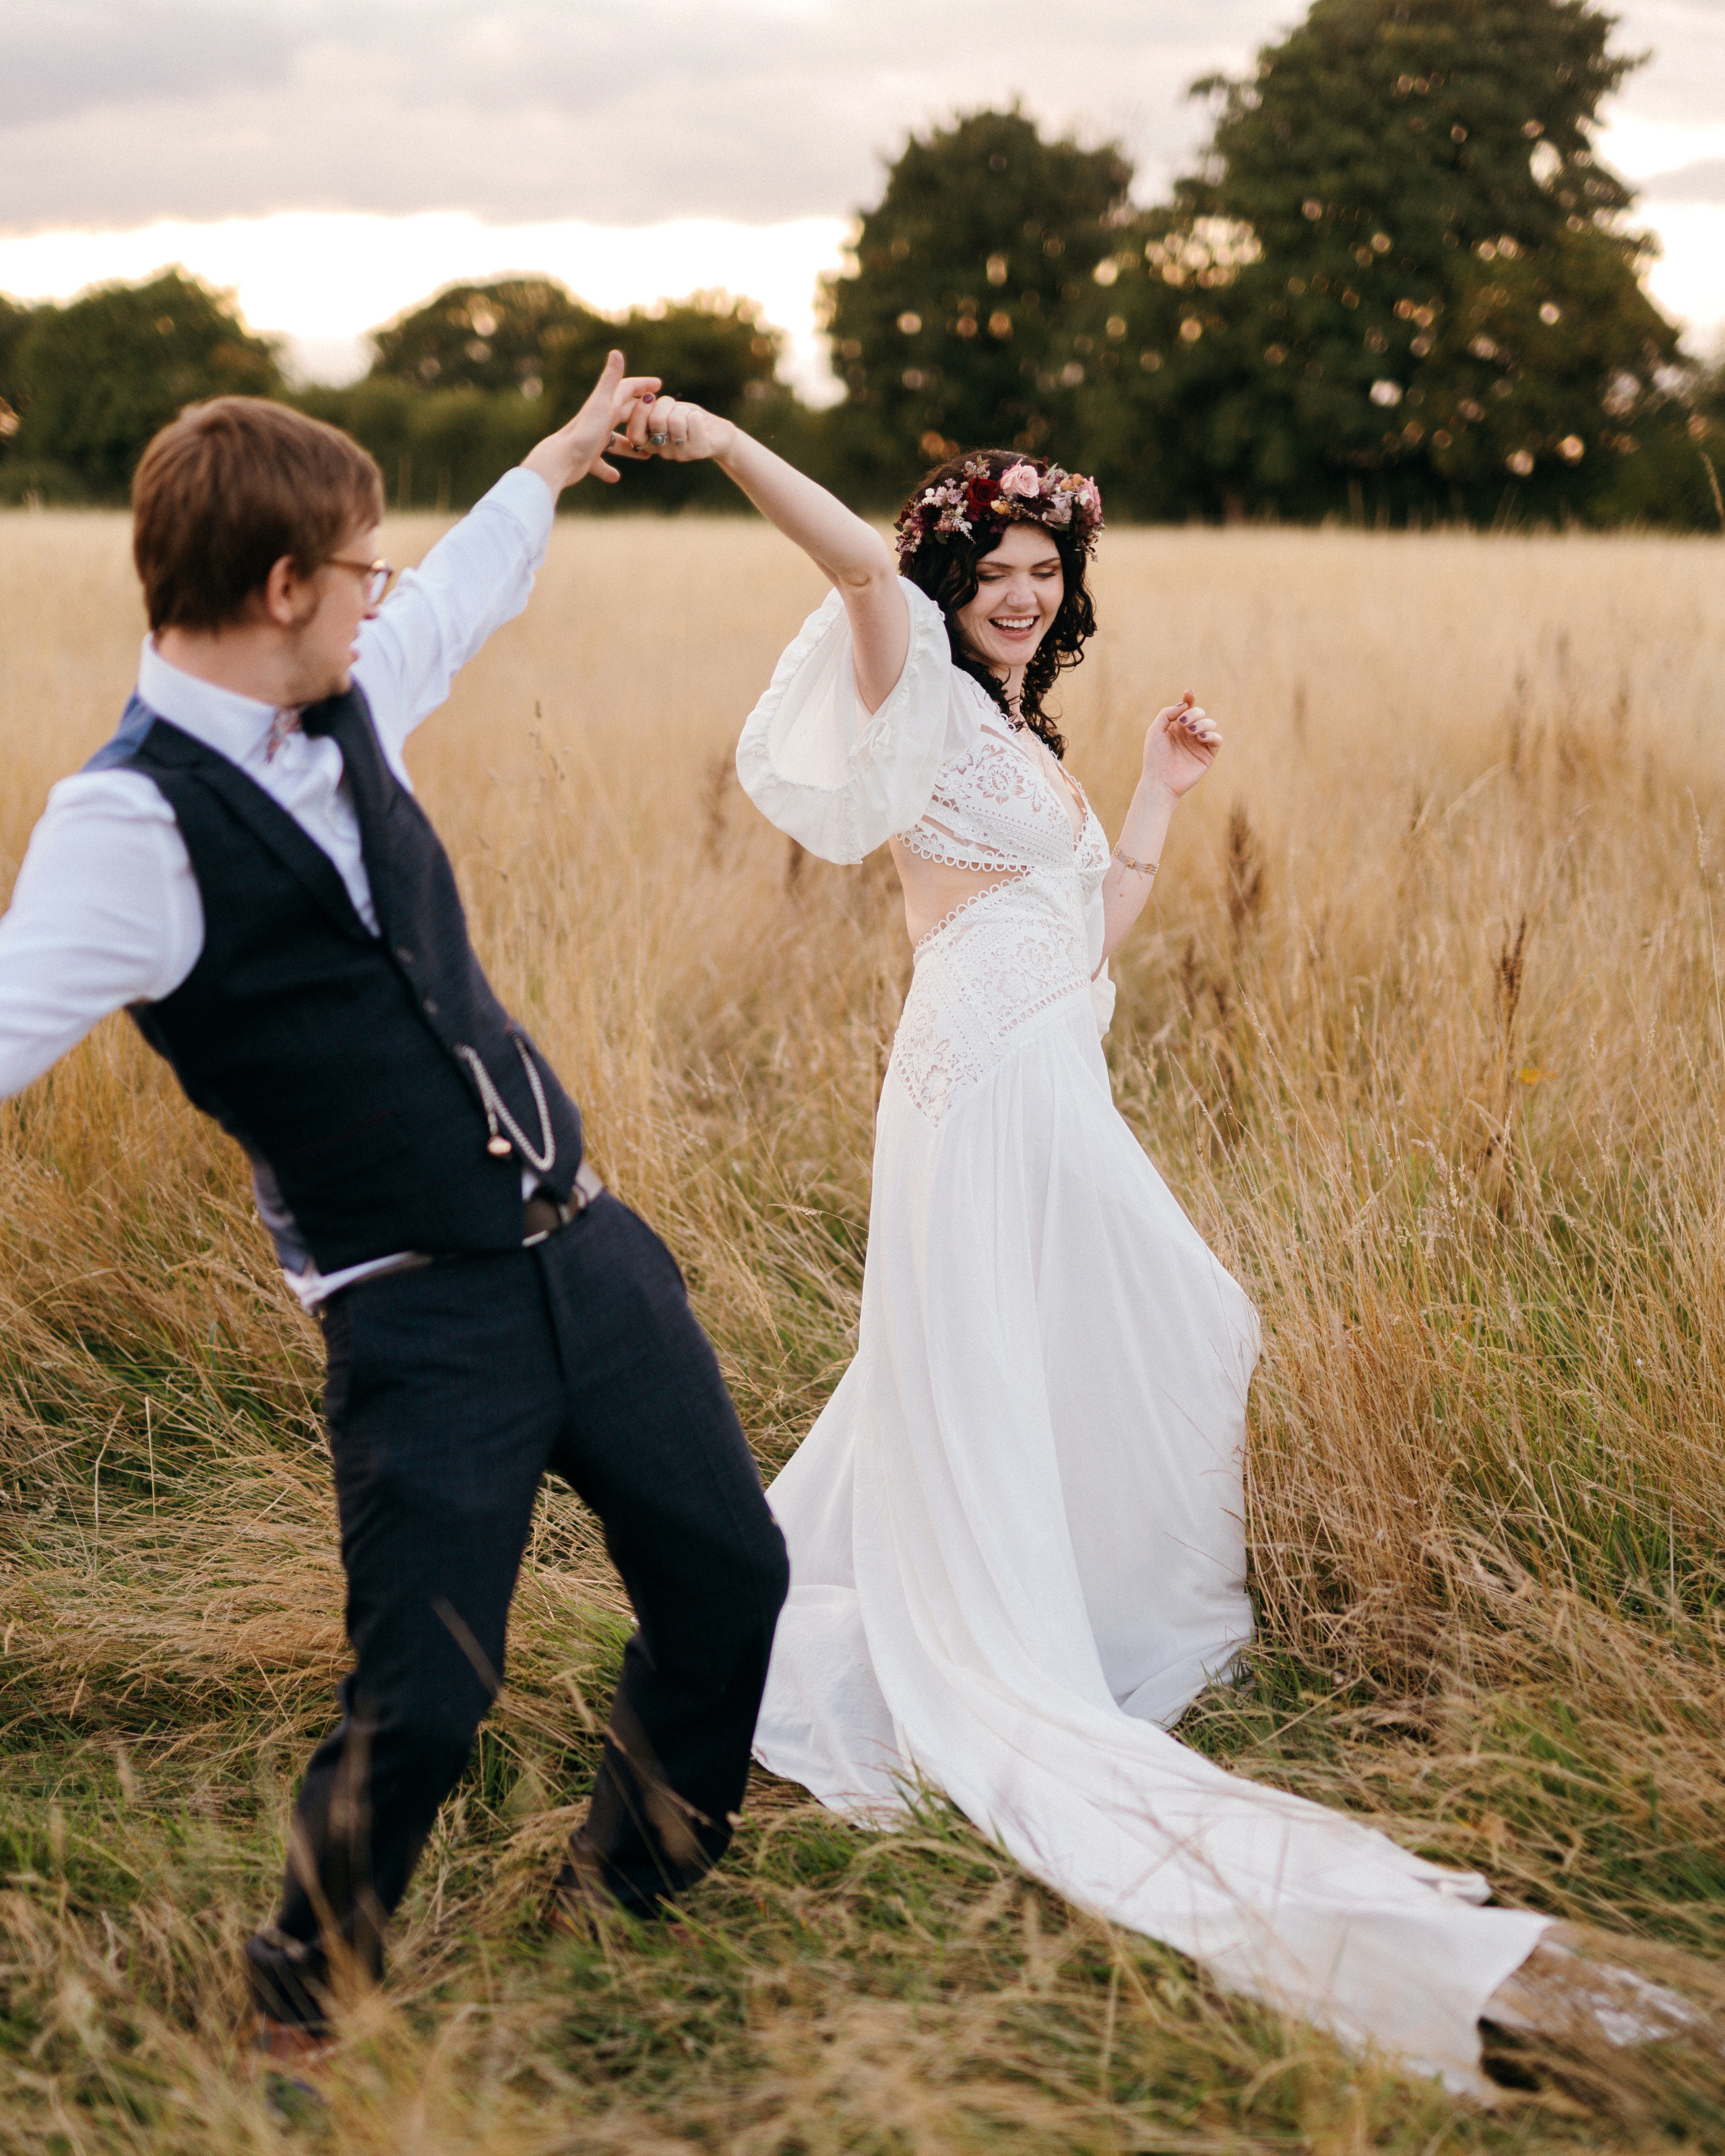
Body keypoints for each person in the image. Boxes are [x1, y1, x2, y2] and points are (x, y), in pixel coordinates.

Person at [606, 395, 1689, 2096]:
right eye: (998, 566)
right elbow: (842, 554)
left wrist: (1158, 793)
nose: (1024, 591)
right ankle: (972, 1649)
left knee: (1172, 1325)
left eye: (1046, 568)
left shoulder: (1027, 742)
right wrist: (725, 440)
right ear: (947, 573)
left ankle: (1029, 1595)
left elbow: (1079, 928)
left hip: (1053, 1086)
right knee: (1028, 1355)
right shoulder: (908, 682)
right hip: (970, 1100)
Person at [0, 357, 788, 2060]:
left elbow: (466, 587)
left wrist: (564, 458)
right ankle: (299, 1993)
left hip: (587, 1243)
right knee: (425, 1696)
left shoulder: (348, 688)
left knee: (731, 1581)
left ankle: (625, 1894)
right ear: (282, 590)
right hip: (420, 1314)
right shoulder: (124, 828)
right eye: (359, 570)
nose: (384, 594)